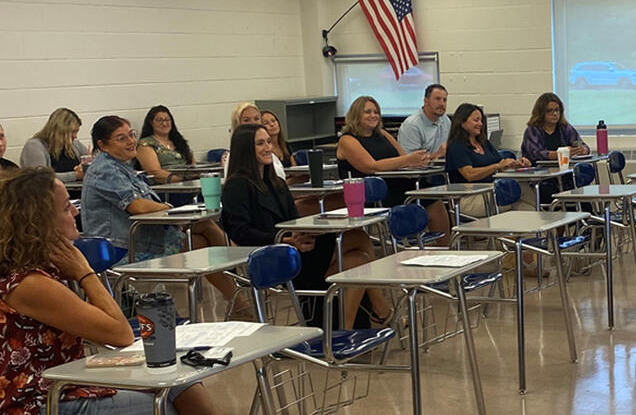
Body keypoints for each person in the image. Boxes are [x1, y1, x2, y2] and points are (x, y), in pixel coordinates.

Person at [0, 167, 285, 415]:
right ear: (40, 222)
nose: (76, 212)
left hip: (60, 403)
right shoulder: (29, 284)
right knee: (178, 407)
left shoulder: (37, 274)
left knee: (175, 395)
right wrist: (85, 271)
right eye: (65, 208)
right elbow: (119, 332)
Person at [221, 124, 393, 328]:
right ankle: (380, 310)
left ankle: (345, 327)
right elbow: (240, 232)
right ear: (246, 149)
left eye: (268, 142)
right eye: (260, 143)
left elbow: (293, 219)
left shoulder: (276, 182)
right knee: (358, 241)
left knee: (358, 257)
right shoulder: (236, 185)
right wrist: (284, 240)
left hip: (295, 245)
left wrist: (305, 233)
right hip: (272, 254)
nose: (268, 147)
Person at [80, 116, 240, 310]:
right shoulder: (105, 169)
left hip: (141, 238)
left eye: (131, 134)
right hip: (120, 249)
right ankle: (243, 277)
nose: (131, 141)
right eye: (121, 138)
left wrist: (165, 209)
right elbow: (137, 206)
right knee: (201, 244)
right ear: (103, 145)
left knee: (204, 231)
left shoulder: (122, 166)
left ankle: (240, 294)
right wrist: (167, 208)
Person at [337, 95, 450, 244]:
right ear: (356, 114)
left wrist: (417, 161)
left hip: (398, 183)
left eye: (376, 112)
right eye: (368, 112)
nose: (373, 115)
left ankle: (446, 247)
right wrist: (407, 160)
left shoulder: (383, 134)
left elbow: (403, 158)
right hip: (372, 192)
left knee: (433, 199)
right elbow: (371, 166)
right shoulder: (347, 140)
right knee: (419, 199)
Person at [19, 108, 87, 183]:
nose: (75, 136)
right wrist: (75, 175)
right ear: (60, 131)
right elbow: (40, 177)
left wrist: (86, 168)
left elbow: (93, 166)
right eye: (72, 132)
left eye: (76, 132)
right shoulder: (34, 146)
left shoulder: (75, 145)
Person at [520, 92, 590, 163]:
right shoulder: (532, 131)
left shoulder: (565, 128)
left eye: (557, 110)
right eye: (550, 111)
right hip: (540, 168)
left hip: (565, 167)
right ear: (541, 113)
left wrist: (583, 150)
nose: (555, 113)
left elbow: (581, 144)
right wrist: (560, 154)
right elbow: (534, 154)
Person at [136, 105, 195, 184]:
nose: (164, 124)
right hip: (167, 187)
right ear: (151, 123)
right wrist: (183, 180)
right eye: (159, 120)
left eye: (167, 120)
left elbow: (193, 165)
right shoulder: (145, 145)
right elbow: (156, 174)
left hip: (190, 183)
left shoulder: (179, 141)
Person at [398, 83, 450, 160]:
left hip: (442, 166)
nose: (442, 104)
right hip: (420, 168)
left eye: (444, 100)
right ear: (426, 101)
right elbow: (408, 161)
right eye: (437, 99)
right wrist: (436, 155)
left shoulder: (445, 120)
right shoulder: (411, 125)